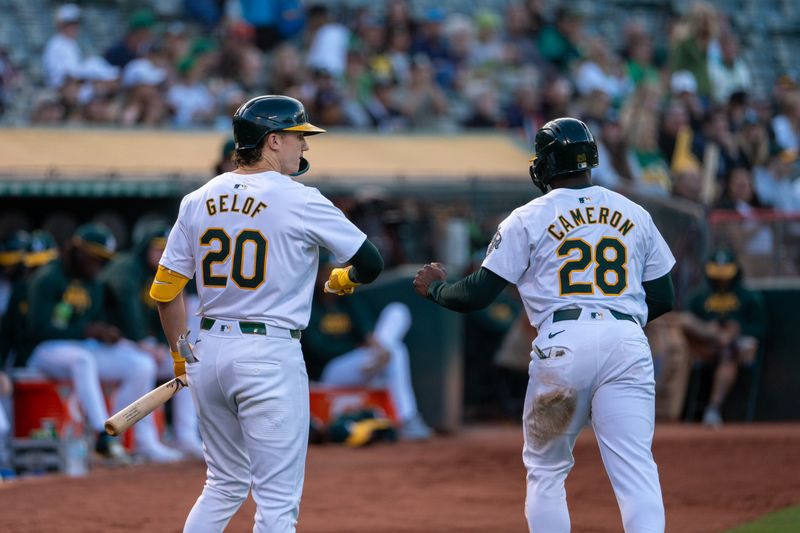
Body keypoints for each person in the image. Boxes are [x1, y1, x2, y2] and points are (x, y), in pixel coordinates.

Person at [413, 117, 675, 533]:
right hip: (626, 338)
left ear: (547, 164)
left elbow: (478, 294)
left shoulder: (528, 216)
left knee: (547, 471)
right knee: (636, 470)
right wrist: (618, 323)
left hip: (564, 341)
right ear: (590, 159)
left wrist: (437, 290)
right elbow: (664, 297)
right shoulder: (634, 211)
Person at [150, 94, 383, 532]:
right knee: (276, 504)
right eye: (298, 137)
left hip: (209, 349)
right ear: (272, 140)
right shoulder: (300, 198)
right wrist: (342, 281)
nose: (305, 146)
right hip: (268, 353)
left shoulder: (198, 198)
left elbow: (165, 291)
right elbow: (371, 262)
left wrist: (181, 356)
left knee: (222, 485)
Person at [25, 223, 182, 464]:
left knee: (140, 364)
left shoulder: (94, 282)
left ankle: (123, 435)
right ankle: (102, 436)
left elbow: (95, 321)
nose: (100, 264)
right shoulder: (49, 277)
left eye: (104, 259)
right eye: (96, 257)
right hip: (45, 351)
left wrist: (107, 332)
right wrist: (87, 330)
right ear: (79, 252)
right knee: (82, 360)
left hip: (81, 346)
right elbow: (37, 330)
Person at [101, 223, 203, 458]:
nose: (161, 255)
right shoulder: (128, 267)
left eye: (165, 249)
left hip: (137, 344)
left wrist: (159, 343)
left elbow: (166, 314)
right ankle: (143, 441)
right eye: (157, 249)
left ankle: (186, 436)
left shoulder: (162, 273)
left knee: (191, 368)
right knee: (143, 366)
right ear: (146, 247)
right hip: (113, 339)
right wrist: (144, 341)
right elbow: (127, 311)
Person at [303, 258, 431, 440]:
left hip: (365, 363)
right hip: (331, 371)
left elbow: (367, 328)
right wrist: (357, 347)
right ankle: (408, 418)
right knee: (395, 352)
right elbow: (318, 349)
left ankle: (381, 355)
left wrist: (375, 346)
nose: (330, 276)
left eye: (335, 272)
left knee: (397, 312)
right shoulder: (309, 302)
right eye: (326, 272)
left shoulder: (347, 296)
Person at [682, 249, 766, 428]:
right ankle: (717, 335)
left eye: (725, 275)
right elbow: (688, 321)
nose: (721, 280)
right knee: (685, 321)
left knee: (729, 350)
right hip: (706, 345)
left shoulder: (748, 297)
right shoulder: (700, 297)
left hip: (736, 348)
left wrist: (738, 329)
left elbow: (760, 328)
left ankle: (713, 409)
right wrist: (712, 330)